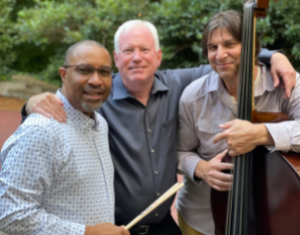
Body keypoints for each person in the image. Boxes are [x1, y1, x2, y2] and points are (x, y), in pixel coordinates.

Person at [22, 20, 296, 235]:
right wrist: (30, 104)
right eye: (128, 51)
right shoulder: (98, 93)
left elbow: (226, 59)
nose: (137, 57)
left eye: (144, 50)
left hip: (165, 225)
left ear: (158, 56)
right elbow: (66, 101)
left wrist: (274, 56)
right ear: (116, 59)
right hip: (116, 228)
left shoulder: (182, 83)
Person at [176, 10, 300, 235]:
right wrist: (202, 169)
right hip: (202, 218)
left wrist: (262, 133)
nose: (220, 55)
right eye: (212, 48)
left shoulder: (288, 83)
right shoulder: (192, 96)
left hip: (276, 215)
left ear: (252, 47)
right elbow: (180, 152)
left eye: (229, 44)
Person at [0, 41, 129, 235]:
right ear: (63, 74)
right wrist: (87, 233)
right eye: (84, 70)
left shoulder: (100, 124)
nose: (96, 80)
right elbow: (10, 215)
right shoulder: (41, 130)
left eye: (104, 72)